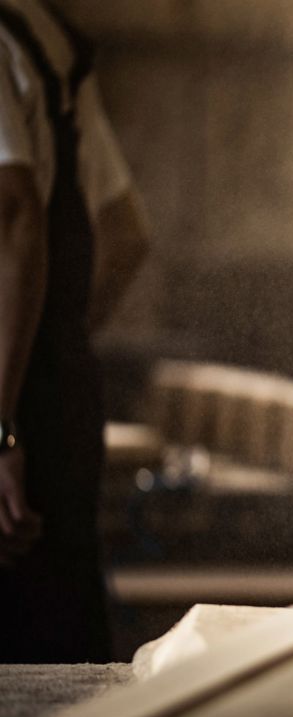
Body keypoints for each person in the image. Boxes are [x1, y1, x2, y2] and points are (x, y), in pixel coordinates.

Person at [0, 0, 149, 663]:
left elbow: (14, 217)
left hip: (16, 425)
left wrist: (4, 424)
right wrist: (51, 354)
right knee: (62, 658)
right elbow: (126, 235)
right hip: (52, 405)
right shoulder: (41, 37)